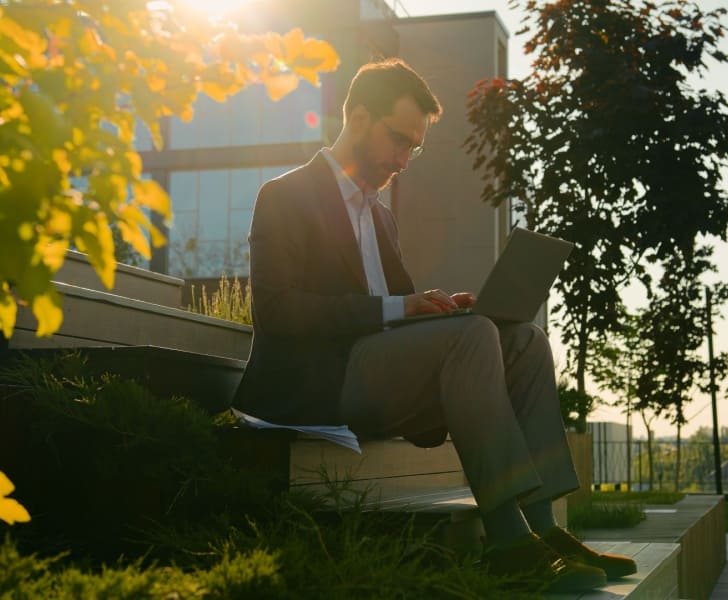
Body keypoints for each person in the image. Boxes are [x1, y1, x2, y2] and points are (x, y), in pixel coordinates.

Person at [232, 58, 636, 592]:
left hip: (378, 377)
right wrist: (404, 309)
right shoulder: (285, 195)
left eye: (414, 148)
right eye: (398, 140)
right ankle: (508, 542)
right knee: (471, 338)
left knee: (523, 340)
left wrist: (441, 309)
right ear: (357, 117)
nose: (403, 160)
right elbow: (278, 311)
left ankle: (545, 530)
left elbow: (399, 310)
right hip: (315, 382)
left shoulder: (381, 217)